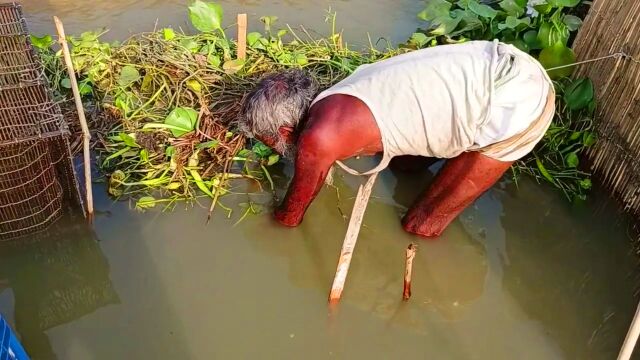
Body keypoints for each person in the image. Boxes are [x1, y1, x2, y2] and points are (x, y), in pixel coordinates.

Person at [237, 40, 555, 237]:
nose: (276, 150)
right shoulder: (337, 98)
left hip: (516, 103)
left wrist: (268, 221)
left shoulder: (319, 138)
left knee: (419, 226)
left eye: (270, 143)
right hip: (496, 64)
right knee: (403, 166)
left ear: (285, 132)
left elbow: (291, 217)